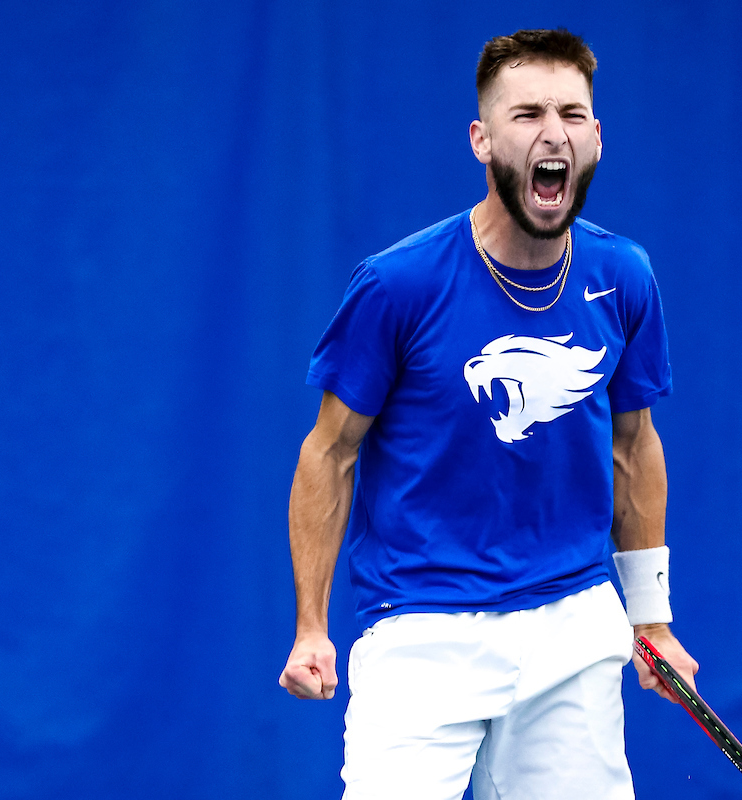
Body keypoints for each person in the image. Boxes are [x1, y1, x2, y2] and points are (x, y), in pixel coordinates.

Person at [278, 28, 700, 800]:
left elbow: (634, 448)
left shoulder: (625, 276)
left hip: (572, 622)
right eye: (527, 114)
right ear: (482, 140)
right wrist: (312, 626)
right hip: (420, 625)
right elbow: (329, 453)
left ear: (597, 138)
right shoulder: (397, 285)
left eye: (572, 115)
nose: (553, 133)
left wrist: (652, 619)